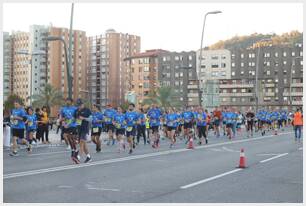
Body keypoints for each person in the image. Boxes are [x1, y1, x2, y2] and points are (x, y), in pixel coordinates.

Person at [60, 98, 79, 164]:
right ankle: (74, 150)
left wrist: (69, 124)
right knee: (67, 137)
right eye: (66, 101)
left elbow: (75, 118)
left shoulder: (75, 108)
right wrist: (63, 122)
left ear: (71, 102)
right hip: (66, 126)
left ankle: (75, 150)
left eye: (68, 101)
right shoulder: (63, 109)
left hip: (72, 125)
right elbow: (61, 117)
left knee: (71, 138)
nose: (67, 102)